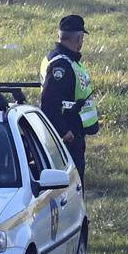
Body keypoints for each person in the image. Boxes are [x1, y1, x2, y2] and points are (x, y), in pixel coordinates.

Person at [40, 14, 99, 181]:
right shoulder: (62, 65)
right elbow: (49, 102)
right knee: (73, 186)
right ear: (79, 37)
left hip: (70, 133)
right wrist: (64, 131)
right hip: (67, 137)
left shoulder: (61, 59)